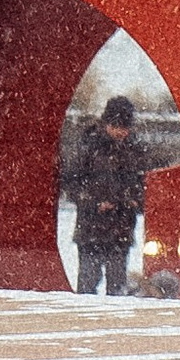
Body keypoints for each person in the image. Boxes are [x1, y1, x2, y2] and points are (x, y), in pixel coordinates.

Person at [71, 93, 151, 296]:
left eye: (125, 127)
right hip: (92, 228)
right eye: (117, 126)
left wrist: (133, 201)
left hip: (120, 227)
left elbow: (142, 184)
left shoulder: (134, 150)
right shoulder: (88, 146)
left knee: (117, 286)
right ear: (106, 123)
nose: (121, 132)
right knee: (88, 283)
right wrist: (94, 203)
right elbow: (72, 183)